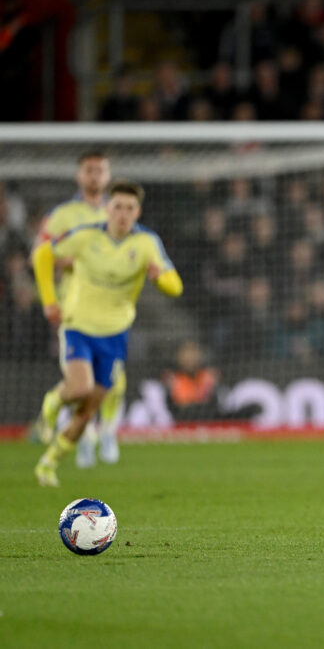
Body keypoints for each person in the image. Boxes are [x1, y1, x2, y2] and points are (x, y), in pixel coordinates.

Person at [32, 181, 183, 486]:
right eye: (118, 207)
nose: (123, 214)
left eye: (130, 208)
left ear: (138, 212)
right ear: (108, 208)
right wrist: (49, 301)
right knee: (79, 389)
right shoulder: (87, 236)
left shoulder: (146, 243)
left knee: (88, 410)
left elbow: (175, 286)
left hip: (115, 335)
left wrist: (160, 279)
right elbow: (42, 255)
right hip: (78, 326)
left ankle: (48, 463)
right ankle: (52, 402)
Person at [32, 151, 129, 469]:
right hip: (74, 308)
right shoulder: (62, 215)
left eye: (100, 170)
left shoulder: (117, 212)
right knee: (82, 383)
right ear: (79, 175)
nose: (94, 176)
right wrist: (68, 262)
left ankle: (108, 432)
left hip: (111, 306)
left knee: (115, 380)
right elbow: (41, 253)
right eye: (89, 170)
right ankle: (85, 438)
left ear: (108, 176)